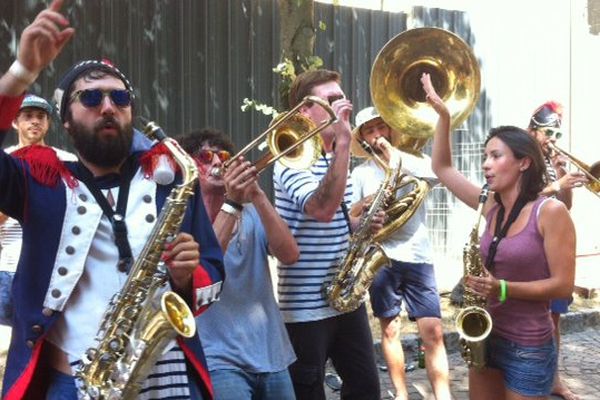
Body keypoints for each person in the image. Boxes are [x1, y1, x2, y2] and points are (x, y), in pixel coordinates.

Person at [0, 2, 224, 399]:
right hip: (72, 383)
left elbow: (215, 272)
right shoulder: (39, 179)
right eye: (89, 99)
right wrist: (21, 74)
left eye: (120, 98)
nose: (108, 106)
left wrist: (187, 277)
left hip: (166, 378)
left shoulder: (171, 180)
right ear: (65, 120)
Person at [425, 71, 576, 400]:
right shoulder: (490, 203)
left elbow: (563, 285)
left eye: (495, 156)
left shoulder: (550, 212)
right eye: (485, 156)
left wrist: (502, 288)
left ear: (523, 163)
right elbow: (442, 168)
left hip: (529, 346)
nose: (485, 165)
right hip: (486, 337)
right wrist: (444, 117)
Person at [273, 69, 382, 400]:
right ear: (305, 111)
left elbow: (334, 217)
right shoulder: (290, 157)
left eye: (343, 96)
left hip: (346, 298)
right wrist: (346, 140)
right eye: (332, 99)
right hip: (306, 307)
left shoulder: (337, 156)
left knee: (366, 390)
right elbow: (320, 209)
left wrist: (360, 227)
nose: (343, 104)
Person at [179, 128, 299, 400]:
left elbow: (290, 254)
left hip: (271, 353)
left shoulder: (253, 212)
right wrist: (232, 202)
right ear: (187, 167)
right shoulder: (183, 219)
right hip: (218, 358)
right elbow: (204, 271)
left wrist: (257, 194)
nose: (217, 163)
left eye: (223, 157)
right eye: (205, 157)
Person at [349, 106, 452, 400]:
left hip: (418, 256)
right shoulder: (360, 173)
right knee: (391, 330)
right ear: (364, 139)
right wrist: (366, 204)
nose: (378, 134)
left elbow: (442, 178)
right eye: (370, 131)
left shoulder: (414, 162)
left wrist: (396, 160)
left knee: (433, 332)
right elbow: (350, 214)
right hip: (381, 257)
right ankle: (401, 394)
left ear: (391, 129)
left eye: (382, 127)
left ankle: (443, 395)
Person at [527, 101, 586, 400]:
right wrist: (554, 186)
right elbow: (520, 202)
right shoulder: (523, 159)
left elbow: (567, 206)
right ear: (532, 131)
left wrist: (565, 183)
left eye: (556, 134)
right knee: (532, 317)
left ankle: (554, 378)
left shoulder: (552, 162)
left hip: (556, 250)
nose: (552, 140)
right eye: (547, 132)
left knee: (555, 318)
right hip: (531, 249)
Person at [0, 94, 76, 325]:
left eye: (41, 117)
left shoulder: (66, 160)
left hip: (52, 271)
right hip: (9, 268)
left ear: (48, 123)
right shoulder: (5, 162)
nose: (35, 121)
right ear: (15, 122)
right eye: (28, 116)